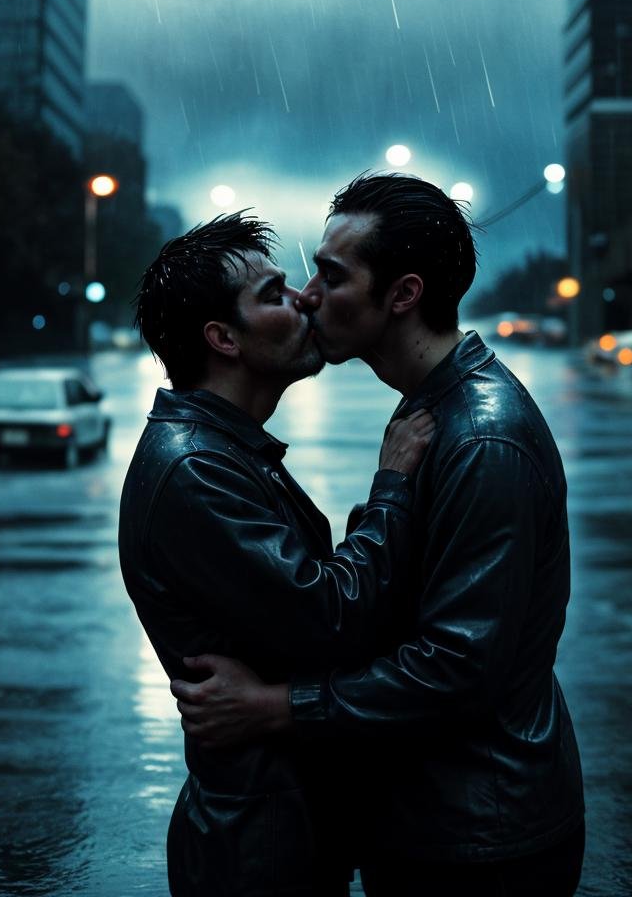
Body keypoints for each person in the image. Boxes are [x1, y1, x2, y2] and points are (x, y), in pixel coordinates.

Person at [171, 174, 586, 896]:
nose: (307, 296)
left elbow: (458, 666)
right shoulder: (431, 417)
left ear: (402, 296)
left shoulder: (483, 439)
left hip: (480, 841)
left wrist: (273, 706)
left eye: (331, 277)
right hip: (432, 822)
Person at [118, 212, 435, 896]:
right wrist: (393, 488)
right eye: (273, 294)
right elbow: (335, 617)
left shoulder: (228, 451)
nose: (302, 301)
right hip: (259, 848)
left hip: (282, 823)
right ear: (223, 339)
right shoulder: (196, 470)